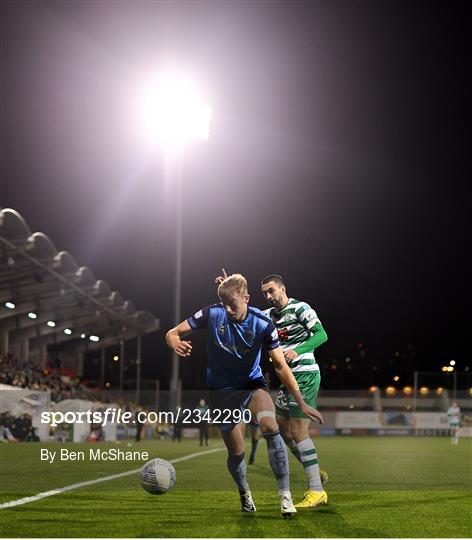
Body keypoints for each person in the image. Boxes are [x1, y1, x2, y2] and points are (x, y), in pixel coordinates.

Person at [166, 273, 323, 517]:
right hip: (222, 391)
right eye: (225, 303)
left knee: (271, 428)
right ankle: (244, 491)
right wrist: (173, 341)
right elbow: (173, 332)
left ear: (247, 299)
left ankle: (285, 496)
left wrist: (301, 402)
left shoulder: (263, 323)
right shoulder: (212, 313)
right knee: (236, 453)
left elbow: (281, 367)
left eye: (233, 303)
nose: (228, 310)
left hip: (252, 383)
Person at [261, 273, 328, 509]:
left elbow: (321, 335)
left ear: (282, 288)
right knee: (281, 428)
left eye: (272, 291)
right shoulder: (268, 316)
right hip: (287, 379)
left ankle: (316, 490)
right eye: (265, 293)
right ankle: (314, 470)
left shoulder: (300, 308)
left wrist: (298, 351)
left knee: (299, 431)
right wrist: (230, 291)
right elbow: (242, 316)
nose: (269, 296)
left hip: (306, 375)